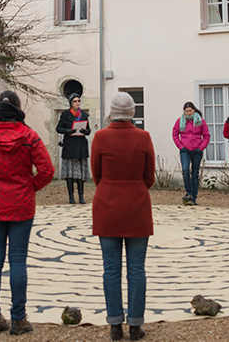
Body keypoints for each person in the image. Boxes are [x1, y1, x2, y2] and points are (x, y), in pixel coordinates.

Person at [0, 90, 54, 336]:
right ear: (17, 110)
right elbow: (47, 170)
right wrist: (29, 186)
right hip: (21, 205)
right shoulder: (29, 136)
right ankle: (18, 319)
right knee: (18, 261)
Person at [93, 92, 156, 341]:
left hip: (107, 205)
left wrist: (109, 187)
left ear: (112, 112)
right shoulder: (143, 137)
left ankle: (115, 324)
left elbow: (95, 173)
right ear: (132, 112)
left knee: (110, 269)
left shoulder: (100, 137)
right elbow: (149, 174)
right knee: (137, 269)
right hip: (137, 205)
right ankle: (135, 324)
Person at [56, 93, 92, 204]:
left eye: (78, 101)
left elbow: (88, 130)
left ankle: (81, 196)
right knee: (70, 174)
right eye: (75, 101)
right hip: (70, 146)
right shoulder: (65, 114)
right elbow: (58, 128)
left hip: (81, 145)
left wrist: (85, 131)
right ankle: (71, 197)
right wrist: (68, 131)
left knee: (80, 174)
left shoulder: (84, 115)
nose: (77, 103)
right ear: (71, 103)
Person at [172, 101, 209, 206]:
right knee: (185, 170)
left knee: (195, 173)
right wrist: (180, 146)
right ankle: (188, 192)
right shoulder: (180, 121)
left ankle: (193, 196)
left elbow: (206, 135)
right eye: (186, 111)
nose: (188, 113)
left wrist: (201, 147)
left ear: (194, 110)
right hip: (185, 150)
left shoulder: (200, 121)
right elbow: (175, 134)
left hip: (197, 150)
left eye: (190, 110)